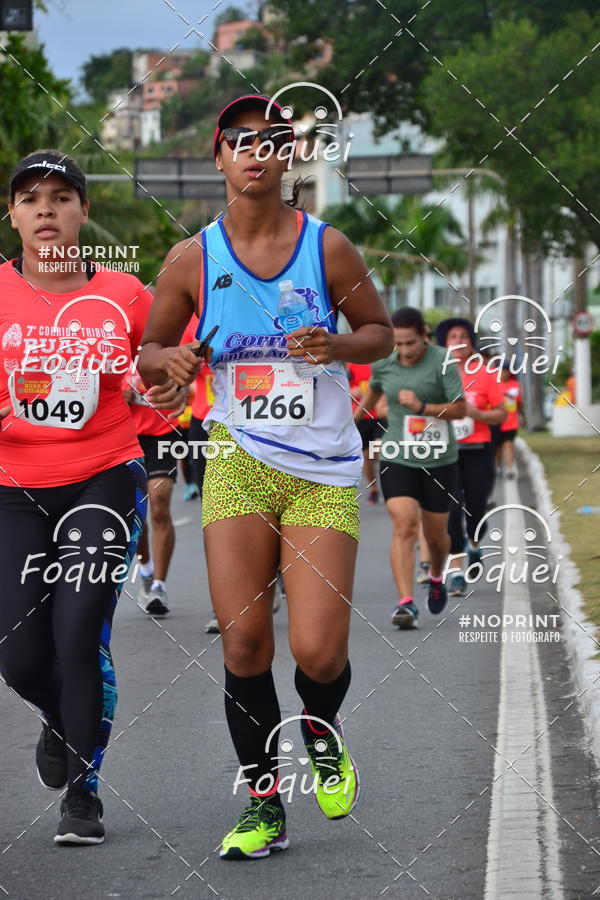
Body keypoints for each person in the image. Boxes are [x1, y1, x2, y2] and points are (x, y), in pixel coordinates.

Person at [138, 94, 394, 860]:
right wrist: (173, 361)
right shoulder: (191, 258)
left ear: (289, 158)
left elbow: (378, 333)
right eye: (241, 140)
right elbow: (148, 352)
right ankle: (262, 802)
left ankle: (320, 727)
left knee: (317, 652)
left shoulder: (329, 248)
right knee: (246, 643)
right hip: (236, 462)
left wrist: (337, 348)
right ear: (218, 156)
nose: (257, 150)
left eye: (273, 140)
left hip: (320, 469)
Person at [0, 150, 182, 844]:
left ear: (82, 210)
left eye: (60, 196)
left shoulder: (127, 295)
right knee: (18, 656)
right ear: (13, 215)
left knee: (78, 636)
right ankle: (59, 718)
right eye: (29, 197)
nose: (45, 208)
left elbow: (162, 378)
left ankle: (83, 790)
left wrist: (163, 389)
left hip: (102, 473)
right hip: (12, 485)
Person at [354, 307, 466, 628]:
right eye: (398, 344)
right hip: (398, 455)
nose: (404, 351)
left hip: (439, 459)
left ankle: (435, 576)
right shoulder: (385, 363)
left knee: (436, 536)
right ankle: (405, 602)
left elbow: (460, 409)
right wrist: (351, 423)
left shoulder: (443, 361)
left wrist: (422, 407)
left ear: (425, 336)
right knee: (403, 524)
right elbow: (373, 392)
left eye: (410, 344)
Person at [435, 318, 507, 596]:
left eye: (463, 336)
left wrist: (479, 415)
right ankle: (455, 571)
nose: (458, 341)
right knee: (451, 509)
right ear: (445, 342)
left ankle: (474, 545)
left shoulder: (486, 373)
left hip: (478, 451)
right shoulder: (435, 373)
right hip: (445, 453)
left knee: (476, 509)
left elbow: (501, 412)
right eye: (453, 336)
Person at [123, 366, 184, 616]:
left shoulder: (162, 343)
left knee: (159, 506)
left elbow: (186, 382)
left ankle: (159, 585)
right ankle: (146, 571)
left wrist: (180, 389)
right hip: (126, 437)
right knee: (136, 513)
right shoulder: (112, 344)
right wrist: (119, 396)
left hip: (164, 434)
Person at [347, 362, 387, 504]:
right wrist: (356, 391)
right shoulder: (351, 364)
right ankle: (374, 488)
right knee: (365, 456)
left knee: (379, 447)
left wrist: (365, 388)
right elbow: (344, 390)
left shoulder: (382, 360)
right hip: (361, 415)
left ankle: (390, 485)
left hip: (380, 414)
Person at [496, 364, 522, 480]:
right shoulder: (493, 384)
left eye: (506, 370)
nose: (503, 373)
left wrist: (521, 415)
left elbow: (519, 403)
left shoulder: (515, 385)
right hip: (496, 421)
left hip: (511, 422)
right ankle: (498, 467)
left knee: (508, 444)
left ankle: (510, 469)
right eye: (501, 370)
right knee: (497, 447)